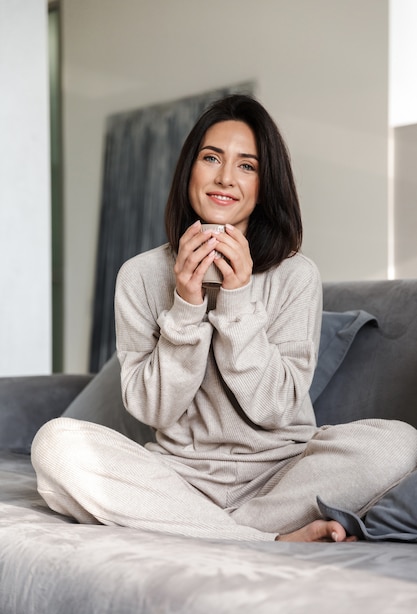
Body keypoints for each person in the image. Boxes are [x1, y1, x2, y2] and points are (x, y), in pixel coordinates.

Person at [32, 94, 417, 542]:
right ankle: (262, 540)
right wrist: (186, 307)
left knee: (398, 442)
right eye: (211, 157)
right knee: (56, 445)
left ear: (263, 185)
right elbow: (154, 408)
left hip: (280, 476)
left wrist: (236, 303)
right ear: (189, 171)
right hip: (177, 477)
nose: (225, 178)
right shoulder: (139, 276)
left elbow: (275, 408)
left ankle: (203, 530)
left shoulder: (296, 275)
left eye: (247, 166)